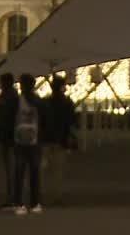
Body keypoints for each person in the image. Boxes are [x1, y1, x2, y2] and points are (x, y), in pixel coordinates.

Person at [12, 73, 44, 215]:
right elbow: (45, 120)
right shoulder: (38, 101)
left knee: (19, 173)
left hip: (19, 140)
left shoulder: (17, 101)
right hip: (35, 141)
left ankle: (19, 203)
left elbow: (9, 119)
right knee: (34, 173)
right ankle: (35, 202)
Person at [42, 76, 77, 206]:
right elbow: (72, 121)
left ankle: (42, 194)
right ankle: (56, 196)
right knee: (58, 170)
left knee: (44, 168)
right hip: (61, 139)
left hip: (46, 139)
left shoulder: (45, 102)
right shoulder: (67, 102)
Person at [0, 72, 20, 208]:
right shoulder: (11, 95)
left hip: (9, 136)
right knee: (10, 167)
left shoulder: (8, 96)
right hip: (9, 136)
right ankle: (12, 195)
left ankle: (12, 197)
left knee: (11, 167)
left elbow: (4, 115)